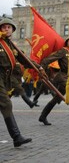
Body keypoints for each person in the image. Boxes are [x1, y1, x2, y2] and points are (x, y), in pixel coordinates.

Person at [0, 18, 45, 147]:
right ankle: (16, 137)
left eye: (9, 27)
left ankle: (17, 137)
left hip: (6, 79)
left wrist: (39, 67)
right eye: (3, 27)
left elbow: (25, 60)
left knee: (5, 104)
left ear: (13, 30)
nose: (6, 29)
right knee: (6, 104)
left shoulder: (11, 45)